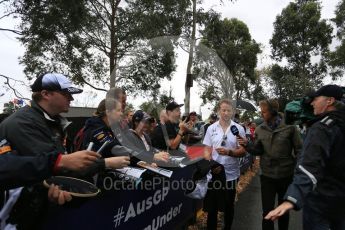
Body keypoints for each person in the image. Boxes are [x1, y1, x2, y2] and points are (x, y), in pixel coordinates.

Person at [0, 73, 126, 229]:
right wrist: (104, 163)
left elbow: (56, 168)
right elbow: (59, 168)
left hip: (38, 208)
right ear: (46, 94)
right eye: (66, 94)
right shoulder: (23, 123)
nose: (71, 99)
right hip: (16, 217)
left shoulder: (52, 121)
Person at [265, 85, 345, 230]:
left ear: (330, 101)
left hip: (320, 201)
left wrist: (292, 198)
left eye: (316, 99)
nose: (312, 103)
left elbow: (310, 165)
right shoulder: (336, 124)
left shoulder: (322, 128)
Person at [238, 99, 302, 230]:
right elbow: (258, 150)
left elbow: (299, 150)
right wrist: (247, 145)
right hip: (267, 176)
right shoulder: (260, 129)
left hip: (286, 176)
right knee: (267, 212)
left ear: (273, 111)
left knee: (283, 211)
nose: (262, 114)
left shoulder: (290, 127)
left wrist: (297, 170)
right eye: (261, 112)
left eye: (264, 112)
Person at [202, 99, 247, 230]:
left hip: (231, 175)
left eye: (228, 110)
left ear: (232, 112)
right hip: (215, 174)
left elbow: (243, 151)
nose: (226, 113)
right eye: (223, 110)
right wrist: (211, 165)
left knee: (228, 206)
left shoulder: (238, 129)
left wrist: (230, 152)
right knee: (212, 208)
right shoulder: (211, 128)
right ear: (218, 111)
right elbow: (206, 150)